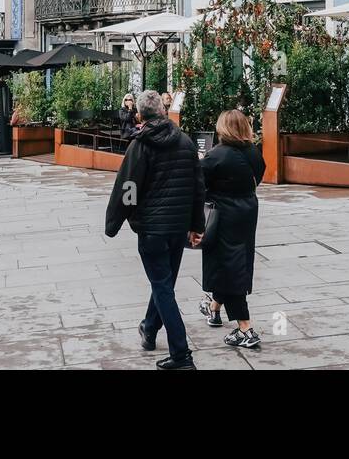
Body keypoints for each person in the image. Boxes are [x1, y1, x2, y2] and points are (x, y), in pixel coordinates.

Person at [105, 90, 206, 370]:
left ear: (139, 115)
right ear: (163, 111)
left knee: (163, 288)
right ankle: (149, 329)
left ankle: (182, 355)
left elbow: (128, 188)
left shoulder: (141, 145)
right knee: (164, 284)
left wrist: (114, 223)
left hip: (152, 230)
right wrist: (197, 225)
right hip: (177, 230)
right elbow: (199, 188)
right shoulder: (185, 142)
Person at [198, 110, 266, 350]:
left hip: (222, 216)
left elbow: (199, 185)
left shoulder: (215, 155)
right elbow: (258, 177)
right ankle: (214, 309)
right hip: (247, 212)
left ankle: (245, 328)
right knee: (235, 262)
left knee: (228, 266)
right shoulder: (254, 153)